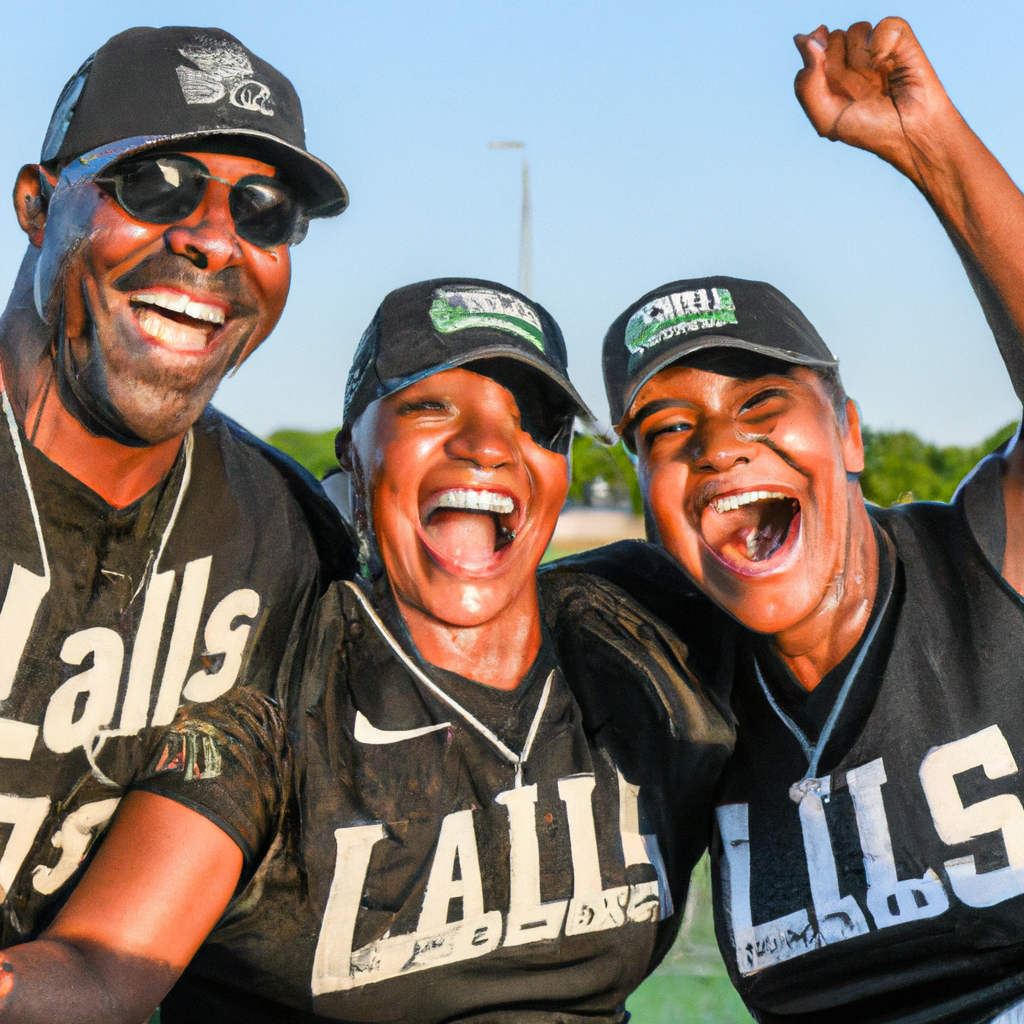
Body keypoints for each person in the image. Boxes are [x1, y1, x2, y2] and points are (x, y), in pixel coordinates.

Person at [0, 279, 733, 1022]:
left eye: (536, 421)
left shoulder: (642, 638)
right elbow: (99, 969)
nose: (487, 446)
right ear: (354, 450)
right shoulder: (279, 695)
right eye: (429, 406)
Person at [563, 18, 1024, 1024]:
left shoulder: (983, 562)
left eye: (761, 404)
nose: (718, 446)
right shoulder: (673, 680)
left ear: (848, 433)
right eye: (668, 428)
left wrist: (929, 146)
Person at [0, 23, 353, 964]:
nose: (212, 241)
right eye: (156, 188)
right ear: (38, 205)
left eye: (266, 213)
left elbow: (108, 967)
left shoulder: (283, 542)